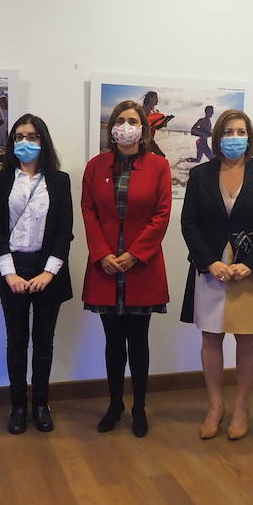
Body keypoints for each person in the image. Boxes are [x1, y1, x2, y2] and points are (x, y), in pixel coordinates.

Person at [179, 109, 253, 442]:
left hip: (248, 270)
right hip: (212, 268)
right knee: (210, 336)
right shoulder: (200, 175)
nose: (235, 137)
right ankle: (215, 405)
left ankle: (240, 407)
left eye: (241, 131)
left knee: (246, 337)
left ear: (249, 137)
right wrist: (209, 261)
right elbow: (189, 223)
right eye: (228, 131)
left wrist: (251, 264)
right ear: (217, 136)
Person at [82, 99, 172, 437]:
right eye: (120, 120)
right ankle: (115, 404)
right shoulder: (96, 166)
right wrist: (103, 253)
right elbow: (89, 212)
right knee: (112, 341)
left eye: (132, 120)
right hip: (105, 268)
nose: (125, 126)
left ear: (144, 129)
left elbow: (161, 214)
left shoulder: (159, 167)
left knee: (139, 340)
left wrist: (134, 254)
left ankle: (140, 407)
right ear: (111, 128)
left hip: (141, 267)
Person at [0, 115, 73, 434]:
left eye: (32, 136)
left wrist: (49, 273)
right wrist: (9, 274)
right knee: (17, 341)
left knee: (44, 342)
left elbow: (65, 231)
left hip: (49, 272)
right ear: (12, 142)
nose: (25, 142)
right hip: (13, 270)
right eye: (19, 136)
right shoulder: (1, 179)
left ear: (43, 140)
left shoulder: (60, 180)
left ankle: (41, 405)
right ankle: (18, 406)